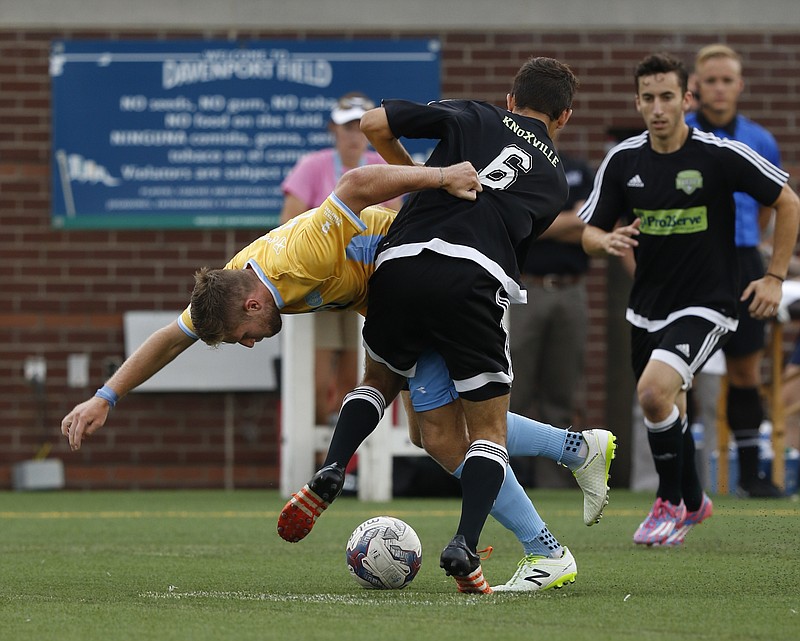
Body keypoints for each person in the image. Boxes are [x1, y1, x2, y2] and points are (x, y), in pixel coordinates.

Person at [61, 159, 615, 592]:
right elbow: (170, 338)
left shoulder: (296, 258)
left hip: (425, 286)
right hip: (402, 300)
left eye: (241, 335)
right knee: (433, 433)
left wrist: (441, 176)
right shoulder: (234, 282)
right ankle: (577, 450)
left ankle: (545, 547)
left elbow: (355, 183)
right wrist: (105, 396)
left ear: (253, 304)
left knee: (446, 437)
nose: (249, 344)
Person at [278, 57, 600, 593]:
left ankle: (335, 465)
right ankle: (466, 543)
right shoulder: (553, 181)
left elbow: (373, 124)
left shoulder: (474, 114)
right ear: (564, 116)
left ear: (510, 99)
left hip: (398, 264)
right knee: (480, 432)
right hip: (472, 280)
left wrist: (424, 182)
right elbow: (514, 234)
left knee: (387, 392)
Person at [579, 52, 799, 546]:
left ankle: (670, 503)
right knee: (667, 407)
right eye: (649, 99)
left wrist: (774, 276)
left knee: (654, 395)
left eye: (668, 97)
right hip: (647, 306)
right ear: (638, 102)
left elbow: (787, 200)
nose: (658, 108)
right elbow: (590, 231)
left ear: (686, 99)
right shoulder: (624, 160)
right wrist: (605, 241)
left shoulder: (719, 155)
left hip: (709, 301)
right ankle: (696, 500)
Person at [686, 44, 785, 497]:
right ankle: (681, 479)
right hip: (693, 262)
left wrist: (761, 259)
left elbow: (772, 205)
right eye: (711, 80)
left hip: (744, 262)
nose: (720, 89)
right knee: (681, 372)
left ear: (740, 86)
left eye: (728, 80)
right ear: (697, 87)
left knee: (746, 372)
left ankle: (751, 475)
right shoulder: (680, 132)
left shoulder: (760, 139)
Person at [280, 92, 404, 427]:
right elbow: (288, 224)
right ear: (333, 130)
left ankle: (346, 467)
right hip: (320, 286)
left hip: (366, 287)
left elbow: (398, 223)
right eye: (347, 128)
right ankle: (321, 461)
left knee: (358, 381)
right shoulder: (312, 165)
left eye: (360, 128)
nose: (354, 136)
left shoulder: (383, 167)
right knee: (318, 385)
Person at [508, 145, 594, 488]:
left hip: (572, 289)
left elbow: (594, 225)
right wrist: (571, 219)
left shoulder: (578, 170)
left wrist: (547, 222)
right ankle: (502, 478)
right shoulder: (520, 165)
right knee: (514, 387)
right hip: (527, 288)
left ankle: (553, 483)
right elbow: (521, 226)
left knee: (562, 392)